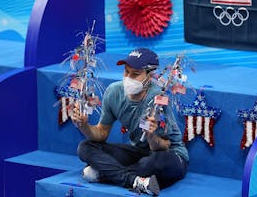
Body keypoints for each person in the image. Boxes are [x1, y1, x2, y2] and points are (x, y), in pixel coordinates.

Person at [72, 48, 189, 196]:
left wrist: (151, 136)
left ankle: (104, 174)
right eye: (126, 72)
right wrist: (84, 126)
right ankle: (135, 180)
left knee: (151, 163)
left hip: (168, 154)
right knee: (85, 147)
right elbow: (102, 133)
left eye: (135, 74)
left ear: (150, 76)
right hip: (138, 153)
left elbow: (165, 146)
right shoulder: (114, 92)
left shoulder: (158, 98)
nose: (128, 78)